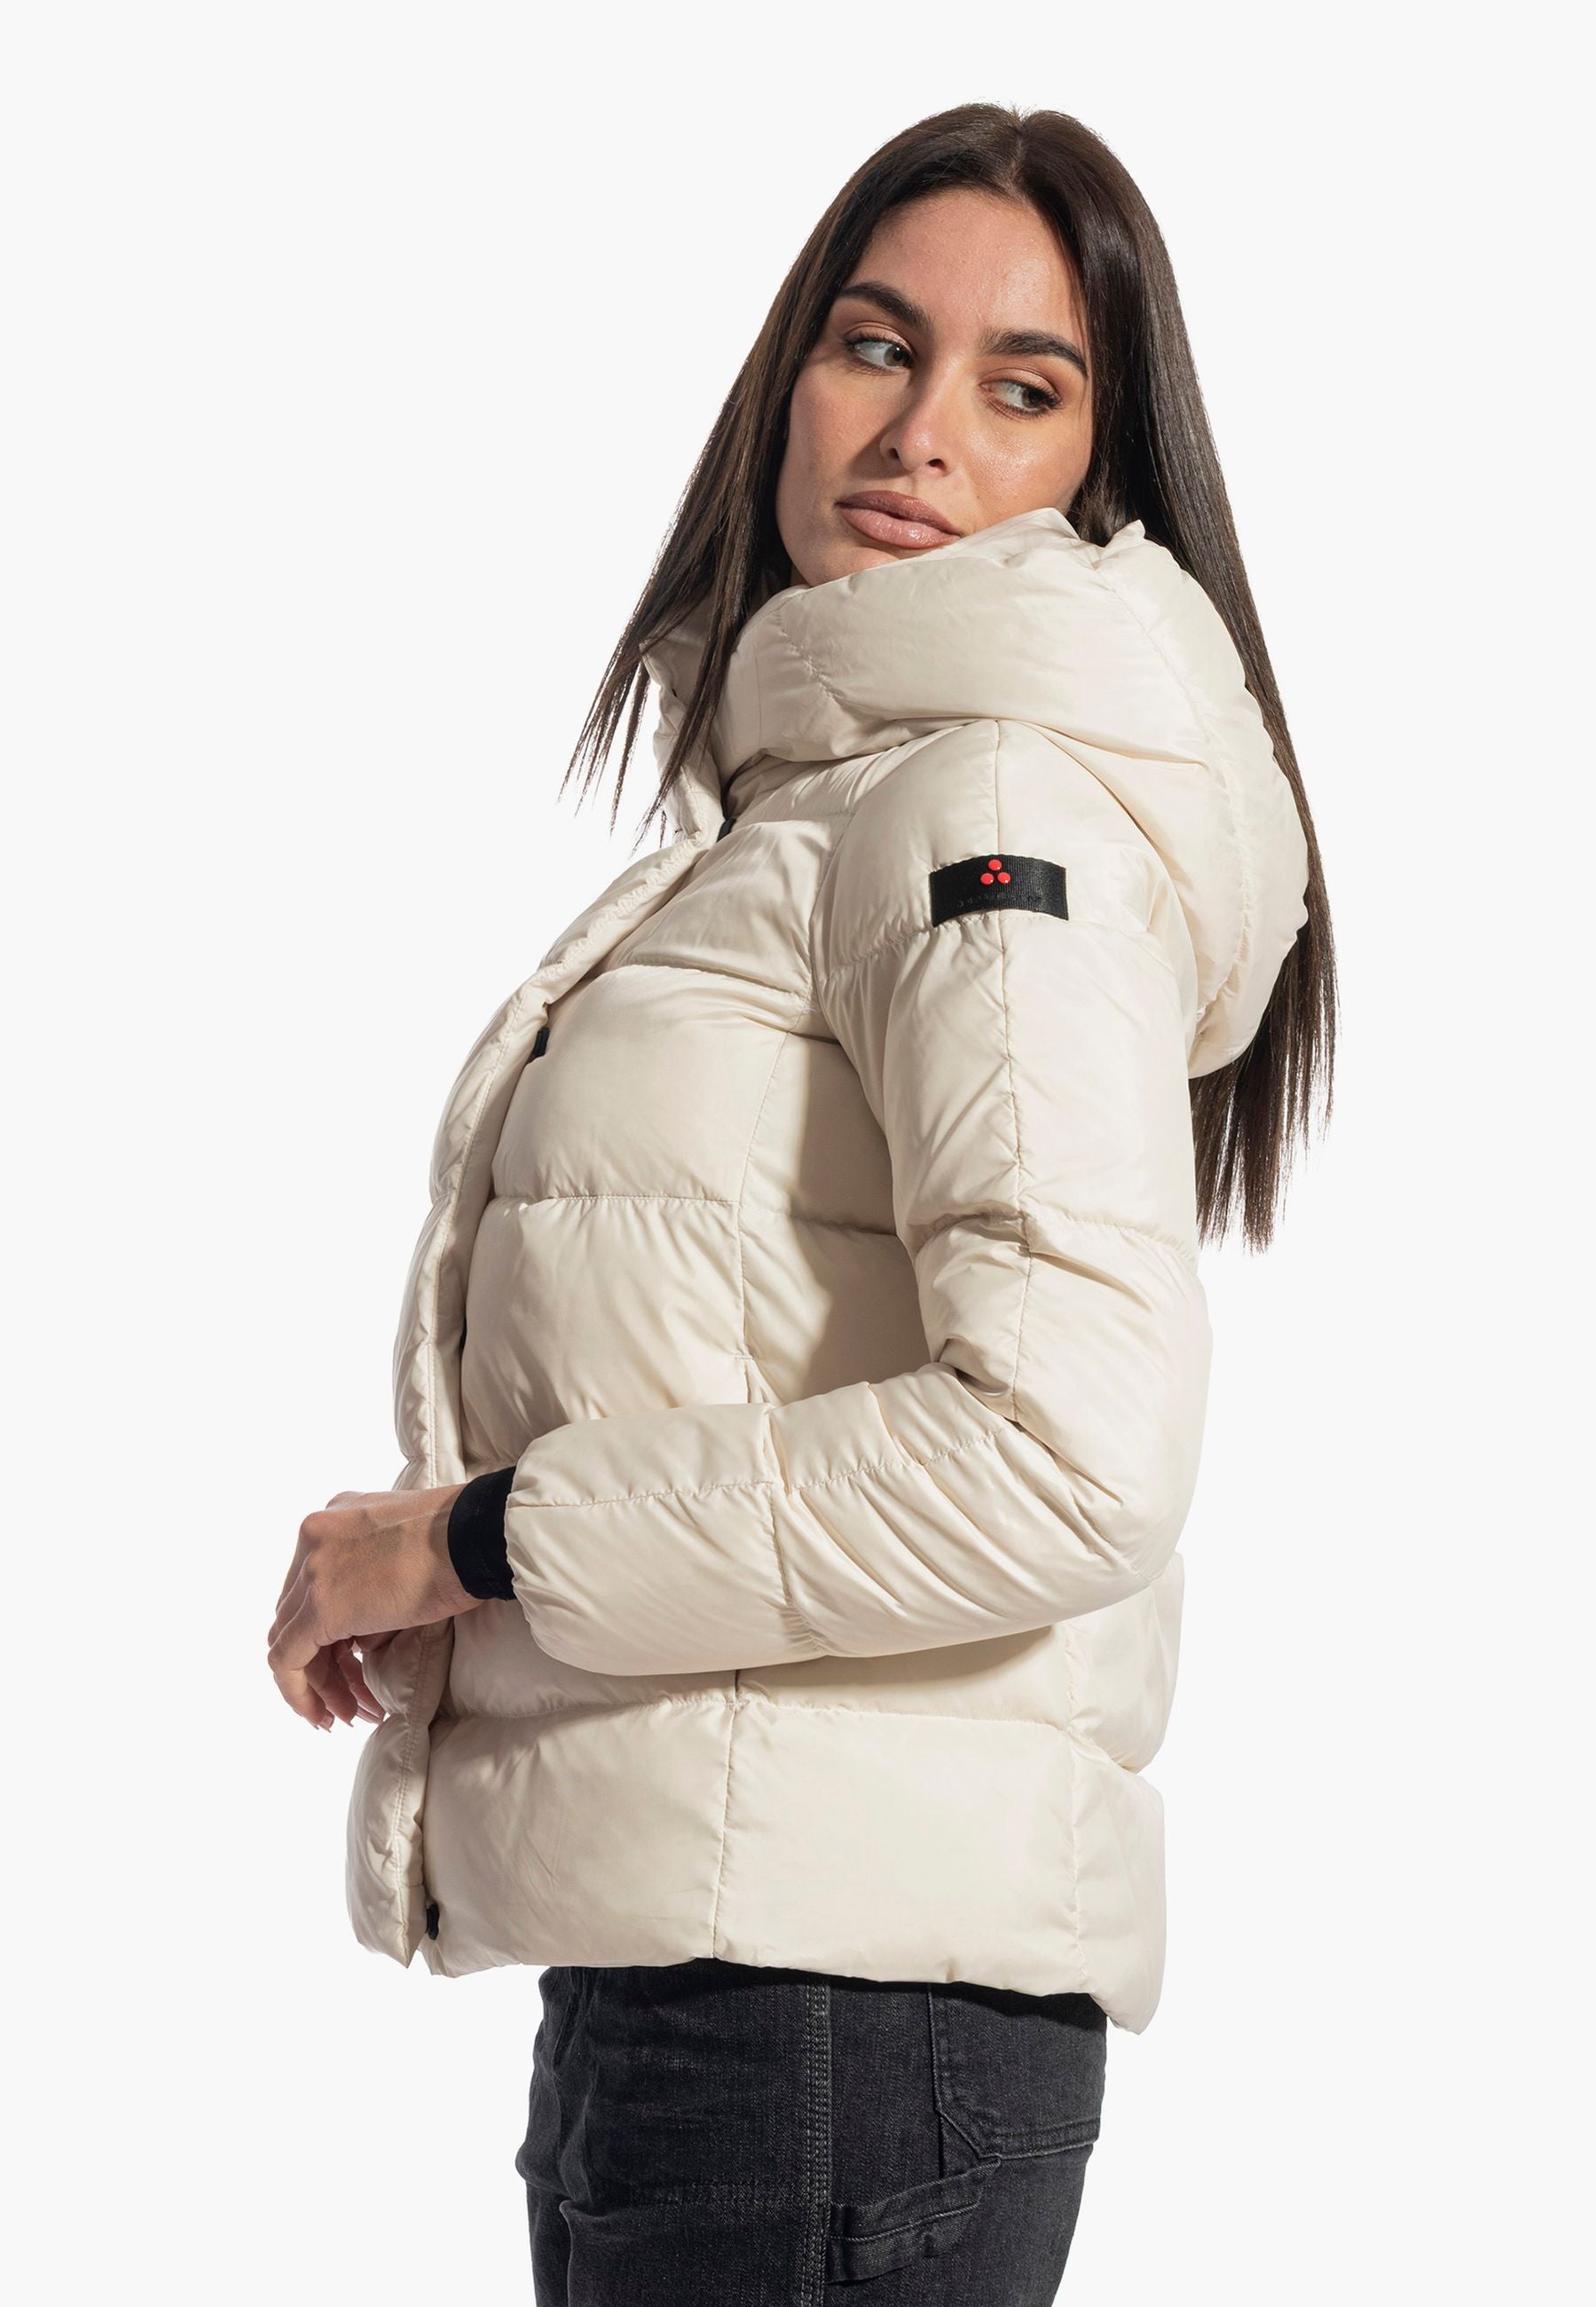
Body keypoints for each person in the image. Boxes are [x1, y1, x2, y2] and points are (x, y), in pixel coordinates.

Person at [268, 101, 1334, 2303]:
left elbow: (1069, 1450)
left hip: (826, 2026)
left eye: (1022, 388)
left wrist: (474, 1540)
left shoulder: (982, 808)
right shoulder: (829, 811)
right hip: (730, 1989)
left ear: (1102, 482)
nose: (921, 429)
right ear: (786, 379)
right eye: (875, 345)